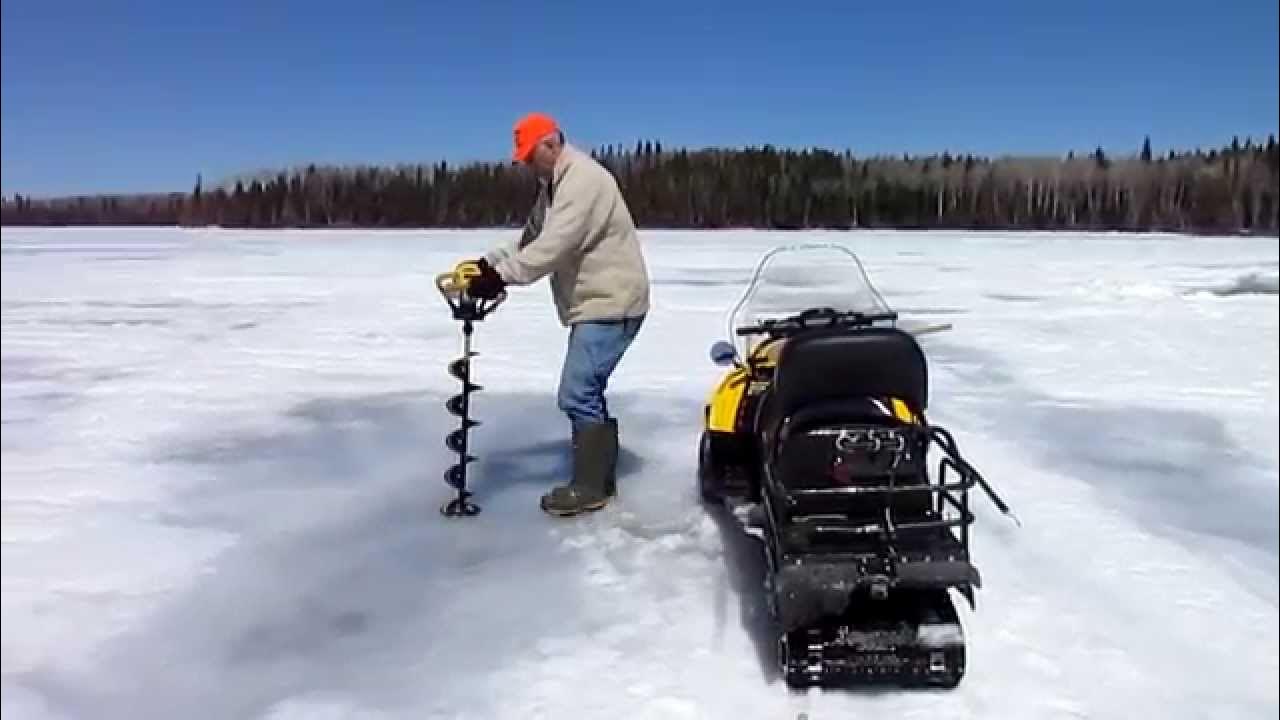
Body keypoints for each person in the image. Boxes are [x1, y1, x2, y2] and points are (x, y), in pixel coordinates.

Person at [459, 113, 650, 517]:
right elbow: (531, 238)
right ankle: (600, 478)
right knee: (585, 391)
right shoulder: (554, 185)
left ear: (551, 144)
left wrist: (501, 278)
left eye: (531, 156)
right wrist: (488, 263)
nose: (528, 165)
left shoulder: (583, 180)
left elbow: (556, 246)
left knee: (577, 392)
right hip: (596, 303)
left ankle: (590, 486)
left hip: (612, 302)